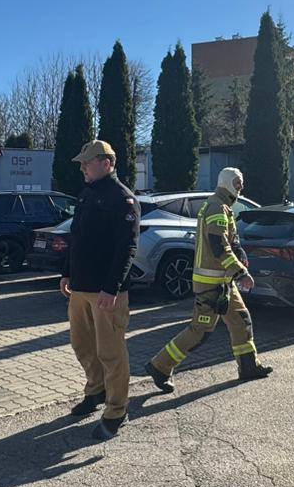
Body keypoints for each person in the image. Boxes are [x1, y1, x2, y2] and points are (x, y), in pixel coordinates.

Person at [145, 167, 274, 390]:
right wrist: (240, 272)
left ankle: (248, 366)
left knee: (241, 320)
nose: (241, 187)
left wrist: (239, 254)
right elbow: (218, 245)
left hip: (223, 282)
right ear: (227, 183)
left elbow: (228, 240)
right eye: (238, 183)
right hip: (211, 284)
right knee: (200, 331)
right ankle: (160, 366)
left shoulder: (220, 205)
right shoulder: (217, 206)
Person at [62, 140, 141, 440]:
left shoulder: (122, 199)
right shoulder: (87, 194)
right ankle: (95, 390)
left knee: (110, 352)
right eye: (81, 162)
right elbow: (77, 237)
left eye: (87, 162)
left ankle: (117, 410)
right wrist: (66, 272)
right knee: (82, 344)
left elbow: (127, 248)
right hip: (80, 288)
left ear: (106, 163)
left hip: (106, 293)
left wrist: (112, 287)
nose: (82, 167)